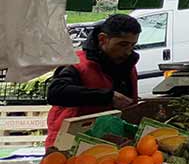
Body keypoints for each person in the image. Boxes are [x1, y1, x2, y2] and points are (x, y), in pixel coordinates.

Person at [46, 14, 141, 148]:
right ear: (102, 39)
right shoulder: (77, 64)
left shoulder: (129, 67)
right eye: (122, 44)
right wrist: (108, 96)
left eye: (132, 45)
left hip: (112, 145)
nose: (128, 52)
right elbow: (55, 92)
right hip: (69, 144)